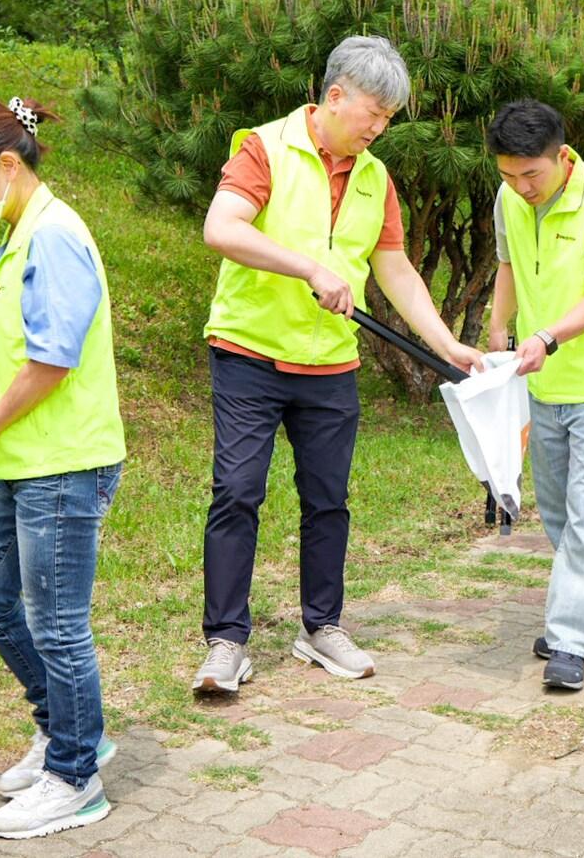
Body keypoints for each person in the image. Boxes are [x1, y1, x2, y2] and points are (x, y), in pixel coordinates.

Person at [195, 36, 483, 691]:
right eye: (374, 113)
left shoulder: (374, 178)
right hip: (249, 353)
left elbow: (397, 269)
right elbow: (222, 227)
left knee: (328, 500)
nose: (380, 128)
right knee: (237, 492)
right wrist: (308, 267)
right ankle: (225, 642)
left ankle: (321, 626)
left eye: (388, 118)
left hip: (328, 364)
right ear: (335, 95)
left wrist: (447, 344)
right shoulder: (263, 148)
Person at [0, 97, 126, 838]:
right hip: (29, 458)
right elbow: (25, 344)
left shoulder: (54, 236)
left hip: (66, 464)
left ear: (6, 164)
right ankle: (72, 729)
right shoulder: (19, 234)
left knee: (58, 624)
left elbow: (54, 360)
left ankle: (76, 776)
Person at [484, 100, 584, 691]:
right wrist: (499, 328)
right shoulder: (509, 199)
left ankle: (569, 641)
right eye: (508, 175)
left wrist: (547, 336)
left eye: (532, 174)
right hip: (541, 384)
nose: (521, 187)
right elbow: (507, 265)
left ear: (562, 155)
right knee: (558, 515)